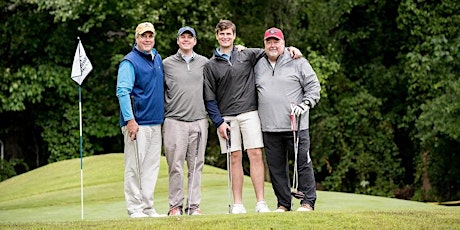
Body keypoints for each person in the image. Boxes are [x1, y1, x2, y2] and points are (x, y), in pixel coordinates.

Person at [203, 19, 302, 214]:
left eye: (228, 34)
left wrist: (290, 48)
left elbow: (272, 49)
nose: (225, 37)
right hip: (226, 118)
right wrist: (218, 122)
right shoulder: (210, 65)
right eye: (221, 34)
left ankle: (261, 202)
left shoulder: (246, 54)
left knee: (256, 154)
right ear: (217, 36)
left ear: (234, 35)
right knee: (234, 158)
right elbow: (209, 98)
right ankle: (238, 204)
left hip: (250, 112)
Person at [254, 27, 321, 212]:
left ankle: (308, 202)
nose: (273, 45)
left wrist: (306, 104)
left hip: (296, 125)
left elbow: (314, 87)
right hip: (269, 127)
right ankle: (283, 204)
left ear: (284, 44)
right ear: (264, 44)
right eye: (269, 41)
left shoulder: (297, 61)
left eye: (276, 41)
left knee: (303, 163)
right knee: (276, 169)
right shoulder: (258, 64)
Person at [116, 22, 165, 218]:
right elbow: (122, 92)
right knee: (134, 168)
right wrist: (130, 120)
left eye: (150, 36)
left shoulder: (157, 58)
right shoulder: (129, 62)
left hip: (155, 122)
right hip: (137, 124)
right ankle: (134, 209)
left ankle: (147, 207)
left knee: (151, 168)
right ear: (136, 39)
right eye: (143, 36)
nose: (147, 39)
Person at [162, 26, 209, 216]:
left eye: (190, 37)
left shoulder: (205, 62)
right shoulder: (166, 64)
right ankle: (175, 206)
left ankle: (193, 206)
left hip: (199, 120)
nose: (186, 40)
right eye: (183, 37)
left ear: (195, 41)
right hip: (174, 121)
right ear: (178, 40)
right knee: (175, 165)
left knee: (196, 165)